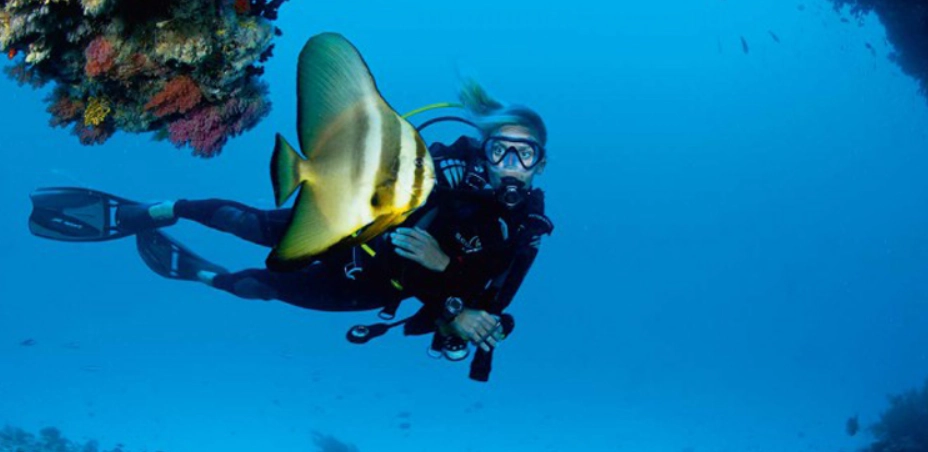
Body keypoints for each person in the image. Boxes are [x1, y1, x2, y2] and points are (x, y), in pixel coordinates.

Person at [28, 82, 553, 381]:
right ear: (481, 149)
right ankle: (161, 210)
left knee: (261, 286)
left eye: (523, 153)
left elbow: (488, 308)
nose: (509, 163)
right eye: (500, 148)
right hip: (342, 230)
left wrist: (460, 308)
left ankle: (205, 274)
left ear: (539, 165)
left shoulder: (523, 233)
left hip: (366, 288)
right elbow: (374, 166)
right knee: (248, 222)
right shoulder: (437, 170)